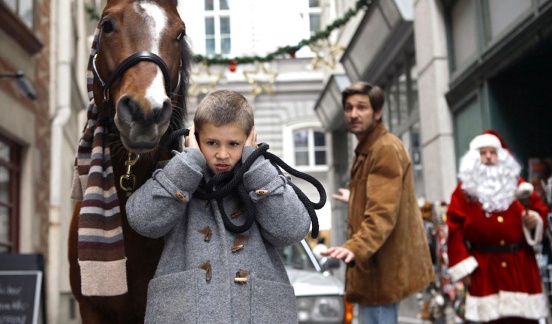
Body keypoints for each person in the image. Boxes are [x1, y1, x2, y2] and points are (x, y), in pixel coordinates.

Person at [126, 89, 311, 324]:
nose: (222, 154)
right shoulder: (178, 174)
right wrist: (188, 164)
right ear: (194, 137)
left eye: (233, 144)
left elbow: (293, 230)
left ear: (250, 138)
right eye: (211, 143)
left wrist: (256, 168)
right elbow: (141, 220)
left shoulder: (262, 176)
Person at [321, 81, 435, 323]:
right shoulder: (371, 148)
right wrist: (357, 199)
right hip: (375, 272)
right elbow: (387, 198)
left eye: (361, 107)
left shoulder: (383, 149)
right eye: (349, 108)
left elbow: (383, 214)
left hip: (380, 274)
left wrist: (354, 246)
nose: (353, 114)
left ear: (378, 112)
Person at [446, 130, 550, 323]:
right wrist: (465, 269)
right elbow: (454, 230)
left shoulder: (517, 184)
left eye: (492, 152)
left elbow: (541, 212)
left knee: (524, 320)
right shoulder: (463, 193)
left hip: (520, 267)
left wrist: (534, 221)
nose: (488, 157)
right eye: (482, 153)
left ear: (501, 156)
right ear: (473, 159)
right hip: (485, 270)